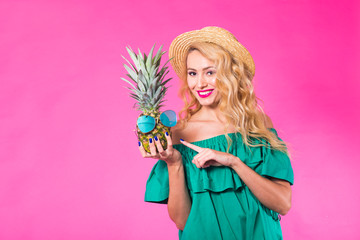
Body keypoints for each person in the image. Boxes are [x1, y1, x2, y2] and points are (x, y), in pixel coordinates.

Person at [139, 26, 294, 240]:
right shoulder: (179, 134)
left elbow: (283, 204)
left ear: (231, 74)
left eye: (210, 72)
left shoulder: (258, 125)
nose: (200, 83)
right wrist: (173, 163)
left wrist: (234, 162)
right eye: (193, 73)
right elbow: (183, 221)